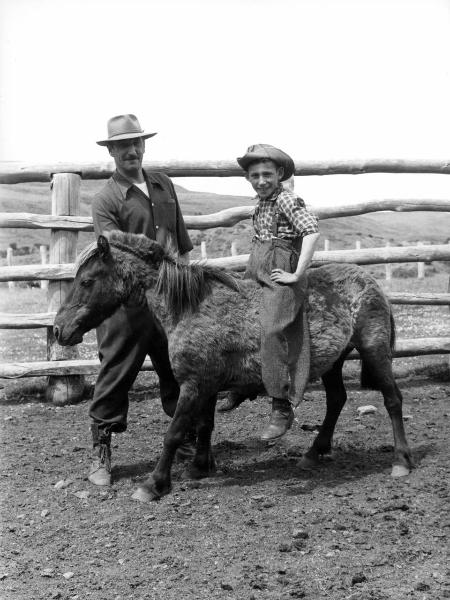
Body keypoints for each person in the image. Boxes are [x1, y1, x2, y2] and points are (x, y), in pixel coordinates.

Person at [89, 114, 193, 486]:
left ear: (143, 146)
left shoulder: (163, 184)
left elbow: (179, 240)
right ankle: (102, 450)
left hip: (169, 302)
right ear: (112, 151)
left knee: (178, 370)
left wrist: (184, 284)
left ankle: (186, 442)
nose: (131, 151)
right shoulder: (106, 199)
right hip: (127, 307)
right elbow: (118, 252)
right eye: (122, 146)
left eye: (136, 144)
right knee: (115, 372)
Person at [236, 144, 320, 440]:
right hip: (256, 268)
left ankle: (281, 405)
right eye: (255, 175)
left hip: (280, 274)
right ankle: (245, 383)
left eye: (267, 174)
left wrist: (296, 274)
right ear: (248, 177)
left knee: (272, 330)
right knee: (236, 317)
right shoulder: (260, 203)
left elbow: (311, 231)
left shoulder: (286, 199)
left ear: (279, 174)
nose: (261, 180)